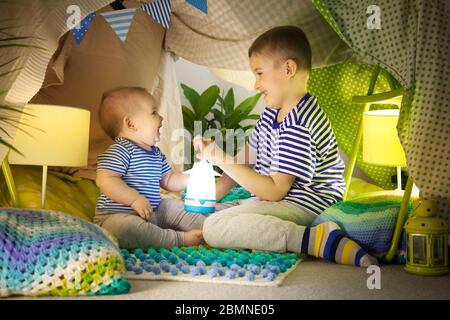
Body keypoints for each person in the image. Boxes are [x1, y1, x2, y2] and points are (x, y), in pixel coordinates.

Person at [194, 26, 378, 267]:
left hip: (307, 203)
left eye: (259, 73)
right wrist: (210, 199)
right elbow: (245, 160)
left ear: (288, 69)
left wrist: (219, 157)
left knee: (214, 228)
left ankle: (314, 240)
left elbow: (274, 191)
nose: (256, 84)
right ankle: (268, 235)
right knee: (209, 216)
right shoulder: (273, 112)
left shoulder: (299, 122)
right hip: (281, 200)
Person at [94, 86, 204, 249]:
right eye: (153, 113)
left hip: (153, 211)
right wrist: (134, 199)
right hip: (117, 216)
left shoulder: (155, 153)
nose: (161, 118)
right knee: (126, 229)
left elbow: (168, 180)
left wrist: (194, 176)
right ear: (131, 123)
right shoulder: (121, 149)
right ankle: (177, 239)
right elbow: (105, 179)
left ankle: (209, 225)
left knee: (174, 206)